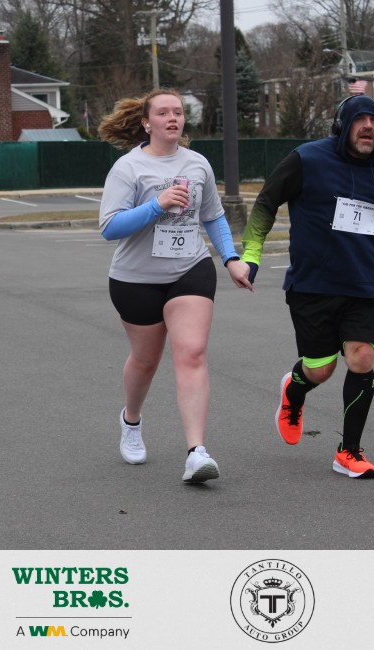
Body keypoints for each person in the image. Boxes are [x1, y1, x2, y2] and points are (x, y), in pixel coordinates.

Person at [233, 93, 374, 479]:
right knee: (320, 369)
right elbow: (266, 203)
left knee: (362, 358)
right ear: (342, 126)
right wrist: (251, 254)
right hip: (313, 286)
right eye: (360, 120)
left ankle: (349, 452)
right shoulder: (307, 159)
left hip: (364, 287)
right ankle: (294, 390)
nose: (368, 127)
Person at [97, 88, 253, 484]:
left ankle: (196, 452)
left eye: (178, 112)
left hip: (190, 269)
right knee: (146, 360)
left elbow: (213, 216)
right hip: (136, 278)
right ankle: (131, 420)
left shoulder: (197, 164)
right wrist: (158, 204)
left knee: (192, 353)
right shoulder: (128, 168)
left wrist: (231, 258)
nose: (172, 118)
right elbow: (110, 227)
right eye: (163, 112)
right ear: (146, 123)